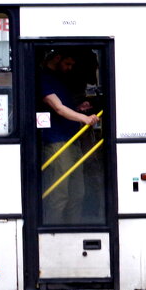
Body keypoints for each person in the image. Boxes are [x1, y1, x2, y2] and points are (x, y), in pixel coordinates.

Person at [38, 49, 99, 224]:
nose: (70, 68)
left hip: (72, 139)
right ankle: (53, 231)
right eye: (67, 64)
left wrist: (79, 108)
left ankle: (74, 229)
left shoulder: (60, 78)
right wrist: (85, 118)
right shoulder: (43, 78)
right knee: (60, 194)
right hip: (56, 141)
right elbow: (57, 107)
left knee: (77, 193)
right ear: (57, 58)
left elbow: (65, 106)